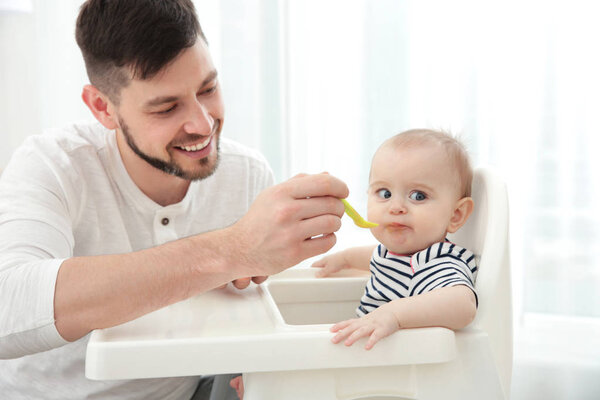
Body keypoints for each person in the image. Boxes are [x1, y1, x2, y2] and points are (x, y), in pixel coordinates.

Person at [0, 1, 348, 399]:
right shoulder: (53, 166)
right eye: (166, 107)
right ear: (102, 107)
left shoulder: (245, 174)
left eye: (209, 89)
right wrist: (231, 249)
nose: (203, 124)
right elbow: (7, 307)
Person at [312, 129, 478, 350]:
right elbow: (375, 256)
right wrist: (345, 258)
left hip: (404, 370)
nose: (396, 207)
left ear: (455, 215)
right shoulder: (398, 254)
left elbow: (462, 306)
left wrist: (394, 314)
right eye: (385, 193)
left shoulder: (436, 262)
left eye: (418, 196)